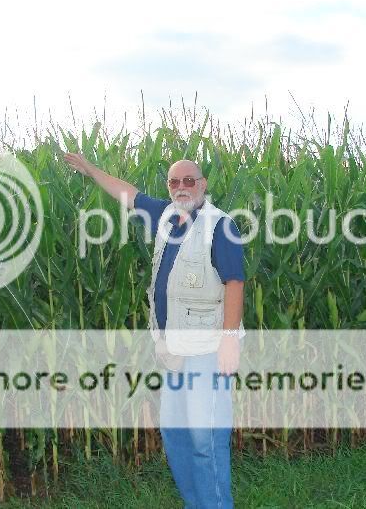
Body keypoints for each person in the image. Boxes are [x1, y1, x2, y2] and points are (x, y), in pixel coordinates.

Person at [62, 151, 245, 508]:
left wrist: (229, 341)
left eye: (189, 180)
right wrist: (90, 168)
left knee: (205, 439)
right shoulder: (167, 217)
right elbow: (127, 193)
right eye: (174, 181)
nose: (181, 187)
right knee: (175, 434)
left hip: (206, 349)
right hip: (173, 349)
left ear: (203, 185)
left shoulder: (220, 225)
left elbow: (235, 282)